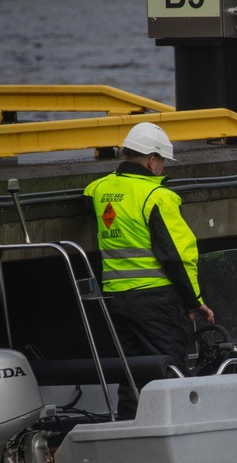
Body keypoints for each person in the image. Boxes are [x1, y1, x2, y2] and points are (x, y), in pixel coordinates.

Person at [84, 122, 215, 417]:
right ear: (152, 160)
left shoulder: (101, 189)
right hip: (155, 300)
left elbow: (88, 194)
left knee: (132, 373)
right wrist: (194, 300)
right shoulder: (157, 197)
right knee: (168, 369)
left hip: (116, 300)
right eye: (163, 162)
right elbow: (176, 256)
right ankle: (175, 432)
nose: (163, 168)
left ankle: (131, 430)